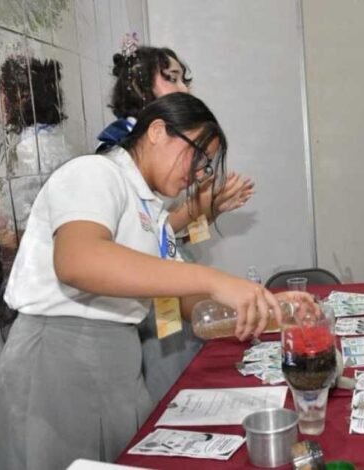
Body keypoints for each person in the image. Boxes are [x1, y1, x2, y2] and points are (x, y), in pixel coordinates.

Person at [0, 93, 308, 468]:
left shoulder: (150, 210)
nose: (198, 173)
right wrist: (213, 278)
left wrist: (267, 307)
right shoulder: (94, 172)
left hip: (117, 360)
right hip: (58, 359)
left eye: (206, 166)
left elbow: (186, 304)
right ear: (157, 131)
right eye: (197, 156)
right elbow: (78, 260)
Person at [99, 40, 255, 401]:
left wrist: (207, 211)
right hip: (141, 311)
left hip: (170, 293)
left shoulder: (163, 159)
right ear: (139, 86)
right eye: (172, 78)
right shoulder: (110, 163)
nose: (184, 88)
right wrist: (201, 208)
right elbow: (137, 240)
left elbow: (168, 234)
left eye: (186, 79)